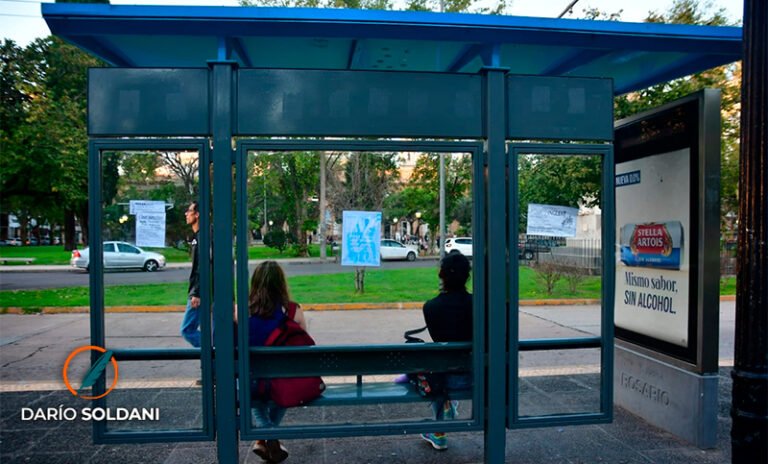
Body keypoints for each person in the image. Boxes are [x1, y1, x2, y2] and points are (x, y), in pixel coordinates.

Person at [247, 260, 308, 464]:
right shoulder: (294, 311)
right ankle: (269, 436)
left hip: (252, 382)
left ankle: (264, 438)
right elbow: (304, 346)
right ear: (282, 283)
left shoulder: (243, 311)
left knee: (252, 386)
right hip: (283, 381)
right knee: (284, 383)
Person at [420, 251, 473, 451]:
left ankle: (439, 429)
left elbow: (438, 338)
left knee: (433, 368)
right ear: (467, 277)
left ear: (441, 275)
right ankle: (444, 418)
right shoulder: (479, 305)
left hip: (444, 380)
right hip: (477, 376)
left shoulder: (430, 308)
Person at [180, 201, 202, 348]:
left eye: (189, 211)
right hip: (199, 291)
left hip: (199, 292)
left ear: (197, 214)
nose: (186, 214)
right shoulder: (197, 237)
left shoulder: (205, 237)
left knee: (187, 330)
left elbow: (205, 266)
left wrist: (197, 293)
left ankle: (214, 350)